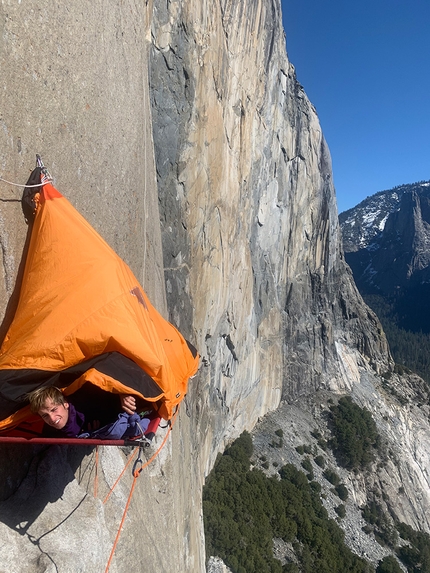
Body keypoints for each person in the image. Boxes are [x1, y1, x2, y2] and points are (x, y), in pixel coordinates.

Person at [28, 385, 149, 439]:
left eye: (54, 410)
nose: (52, 419)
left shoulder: (85, 397)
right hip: (106, 420)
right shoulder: (50, 432)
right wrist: (90, 433)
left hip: (120, 403)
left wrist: (122, 392)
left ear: (65, 403)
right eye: (45, 415)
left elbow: (104, 380)